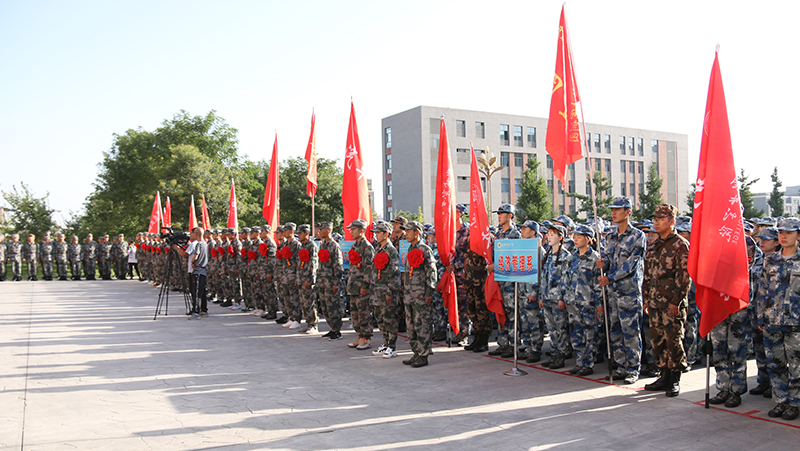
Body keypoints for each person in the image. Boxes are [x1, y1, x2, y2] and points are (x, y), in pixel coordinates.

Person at [642, 204, 690, 397]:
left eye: (661, 219)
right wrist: (646, 298)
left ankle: (675, 378)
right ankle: (664, 374)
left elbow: (684, 276)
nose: (656, 222)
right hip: (655, 301)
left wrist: (676, 301)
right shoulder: (654, 245)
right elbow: (647, 275)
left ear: (671, 221)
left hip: (671, 302)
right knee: (657, 339)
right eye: (655, 219)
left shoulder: (680, 245)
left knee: (673, 339)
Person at [597, 196, 646, 385]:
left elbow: (631, 265)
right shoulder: (610, 236)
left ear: (628, 212)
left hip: (629, 293)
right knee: (615, 331)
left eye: (617, 209)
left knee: (631, 332)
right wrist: (603, 265)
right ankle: (621, 366)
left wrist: (610, 277)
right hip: (613, 293)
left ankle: (633, 369)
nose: (613, 213)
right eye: (612, 209)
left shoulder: (637, 236)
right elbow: (608, 261)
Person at [756, 217, 800, 421]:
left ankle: (795, 403)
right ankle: (781, 400)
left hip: (796, 322)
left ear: (798, 235)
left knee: (796, 365)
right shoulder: (770, 259)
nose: (783, 236)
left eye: (789, 232)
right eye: (781, 232)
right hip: (772, 320)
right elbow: (763, 289)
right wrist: (760, 316)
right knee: (775, 363)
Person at [564, 225, 603, 376]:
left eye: (579, 237)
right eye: (574, 237)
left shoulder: (595, 258)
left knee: (589, 335)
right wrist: (566, 298)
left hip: (588, 303)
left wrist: (599, 304)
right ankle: (580, 362)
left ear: (588, 239)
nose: (575, 239)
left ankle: (588, 364)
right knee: (576, 333)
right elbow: (566, 280)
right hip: (573, 302)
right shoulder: (571, 258)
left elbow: (598, 284)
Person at [488, 203, 522, 359]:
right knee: (500, 312)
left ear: (511, 216)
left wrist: (497, 265)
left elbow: (517, 259)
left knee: (512, 314)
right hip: (499, 280)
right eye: (498, 213)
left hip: (511, 282)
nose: (499, 216)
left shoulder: (516, 235)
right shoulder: (498, 234)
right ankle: (503, 343)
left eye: (502, 213)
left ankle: (513, 345)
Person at [401, 221, 437, 367]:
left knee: (422, 325)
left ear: (417, 232)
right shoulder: (410, 248)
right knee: (411, 326)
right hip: (409, 294)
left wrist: (429, 292)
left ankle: (423, 354)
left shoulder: (425, 249)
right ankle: (416, 352)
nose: (406, 234)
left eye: (408, 231)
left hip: (421, 295)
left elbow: (431, 272)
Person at [749, 227, 779, 399]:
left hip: (773, 314)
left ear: (776, 242)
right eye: (761, 238)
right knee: (759, 348)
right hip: (756, 310)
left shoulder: (779, 261)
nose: (763, 242)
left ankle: (775, 385)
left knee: (773, 351)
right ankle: (763, 381)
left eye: (767, 239)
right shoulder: (758, 260)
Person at [539, 223, 571, 369]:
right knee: (551, 329)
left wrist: (562, 298)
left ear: (561, 237)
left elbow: (566, 279)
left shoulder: (565, 256)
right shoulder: (548, 254)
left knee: (560, 328)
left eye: (553, 234)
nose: (549, 237)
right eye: (548, 234)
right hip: (547, 297)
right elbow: (543, 277)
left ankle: (562, 355)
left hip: (557, 298)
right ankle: (554, 353)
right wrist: (541, 295)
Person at [369, 221, 402, 358]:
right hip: (377, 290)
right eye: (375, 233)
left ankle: (392, 347)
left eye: (378, 233)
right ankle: (386, 343)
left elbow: (394, 273)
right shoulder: (378, 248)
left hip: (386, 291)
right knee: (381, 320)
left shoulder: (391, 250)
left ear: (386, 234)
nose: (376, 235)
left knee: (389, 319)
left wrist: (390, 291)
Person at [345, 219, 375, 350]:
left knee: (364, 313)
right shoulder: (354, 246)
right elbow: (351, 267)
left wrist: (365, 285)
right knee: (354, 313)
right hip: (353, 285)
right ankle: (360, 335)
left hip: (362, 286)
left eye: (353, 229)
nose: (351, 232)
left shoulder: (367, 247)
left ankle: (366, 338)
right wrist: (349, 282)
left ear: (361, 231)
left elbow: (369, 269)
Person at [316, 222, 344, 340]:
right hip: (322, 281)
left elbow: (338, 265)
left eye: (321, 229)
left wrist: (335, 283)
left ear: (327, 231)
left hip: (330, 282)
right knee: (324, 307)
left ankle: (337, 330)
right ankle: (332, 328)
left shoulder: (334, 245)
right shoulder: (322, 244)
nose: (319, 232)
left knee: (332, 306)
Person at [173, 228, 208, 320]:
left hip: (197, 270)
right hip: (203, 270)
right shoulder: (205, 243)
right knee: (201, 291)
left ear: (196, 234)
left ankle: (196, 311)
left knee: (196, 292)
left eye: (192, 233)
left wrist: (192, 262)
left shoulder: (197, 244)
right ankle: (203, 309)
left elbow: (193, 255)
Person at [295, 224, 319, 334]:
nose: (299, 235)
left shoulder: (311, 245)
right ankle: (308, 323)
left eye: (300, 233)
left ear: (306, 233)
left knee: (310, 303)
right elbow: (299, 263)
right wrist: (297, 278)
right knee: (304, 303)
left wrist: (310, 279)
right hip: (301, 278)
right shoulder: (301, 246)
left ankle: (313, 325)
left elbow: (313, 264)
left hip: (307, 279)